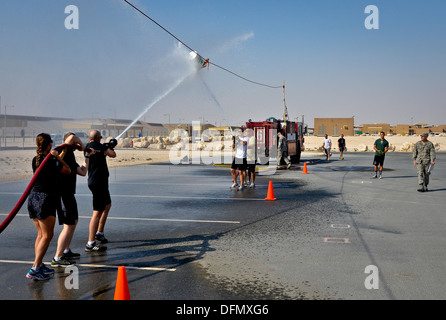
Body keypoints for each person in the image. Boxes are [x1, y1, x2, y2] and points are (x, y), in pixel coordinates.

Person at [26, 133, 71, 280]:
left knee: (41, 235)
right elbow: (67, 170)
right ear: (50, 145)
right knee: (47, 235)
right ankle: (34, 269)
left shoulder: (36, 159)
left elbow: (52, 168)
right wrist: (58, 157)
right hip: (45, 200)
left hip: (33, 198)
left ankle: (37, 265)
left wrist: (59, 155)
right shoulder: (51, 160)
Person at [51, 133, 94, 267]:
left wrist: (86, 156)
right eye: (73, 143)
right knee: (68, 225)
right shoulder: (63, 151)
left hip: (70, 194)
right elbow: (72, 137)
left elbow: (82, 172)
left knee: (74, 221)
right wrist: (82, 146)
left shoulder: (69, 156)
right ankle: (57, 258)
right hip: (63, 195)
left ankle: (66, 250)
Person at [84, 130, 116, 252]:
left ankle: (100, 233)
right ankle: (90, 243)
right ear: (98, 138)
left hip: (97, 181)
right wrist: (110, 147)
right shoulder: (99, 146)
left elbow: (105, 152)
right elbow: (112, 154)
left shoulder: (87, 147)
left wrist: (107, 146)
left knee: (107, 204)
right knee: (97, 212)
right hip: (98, 183)